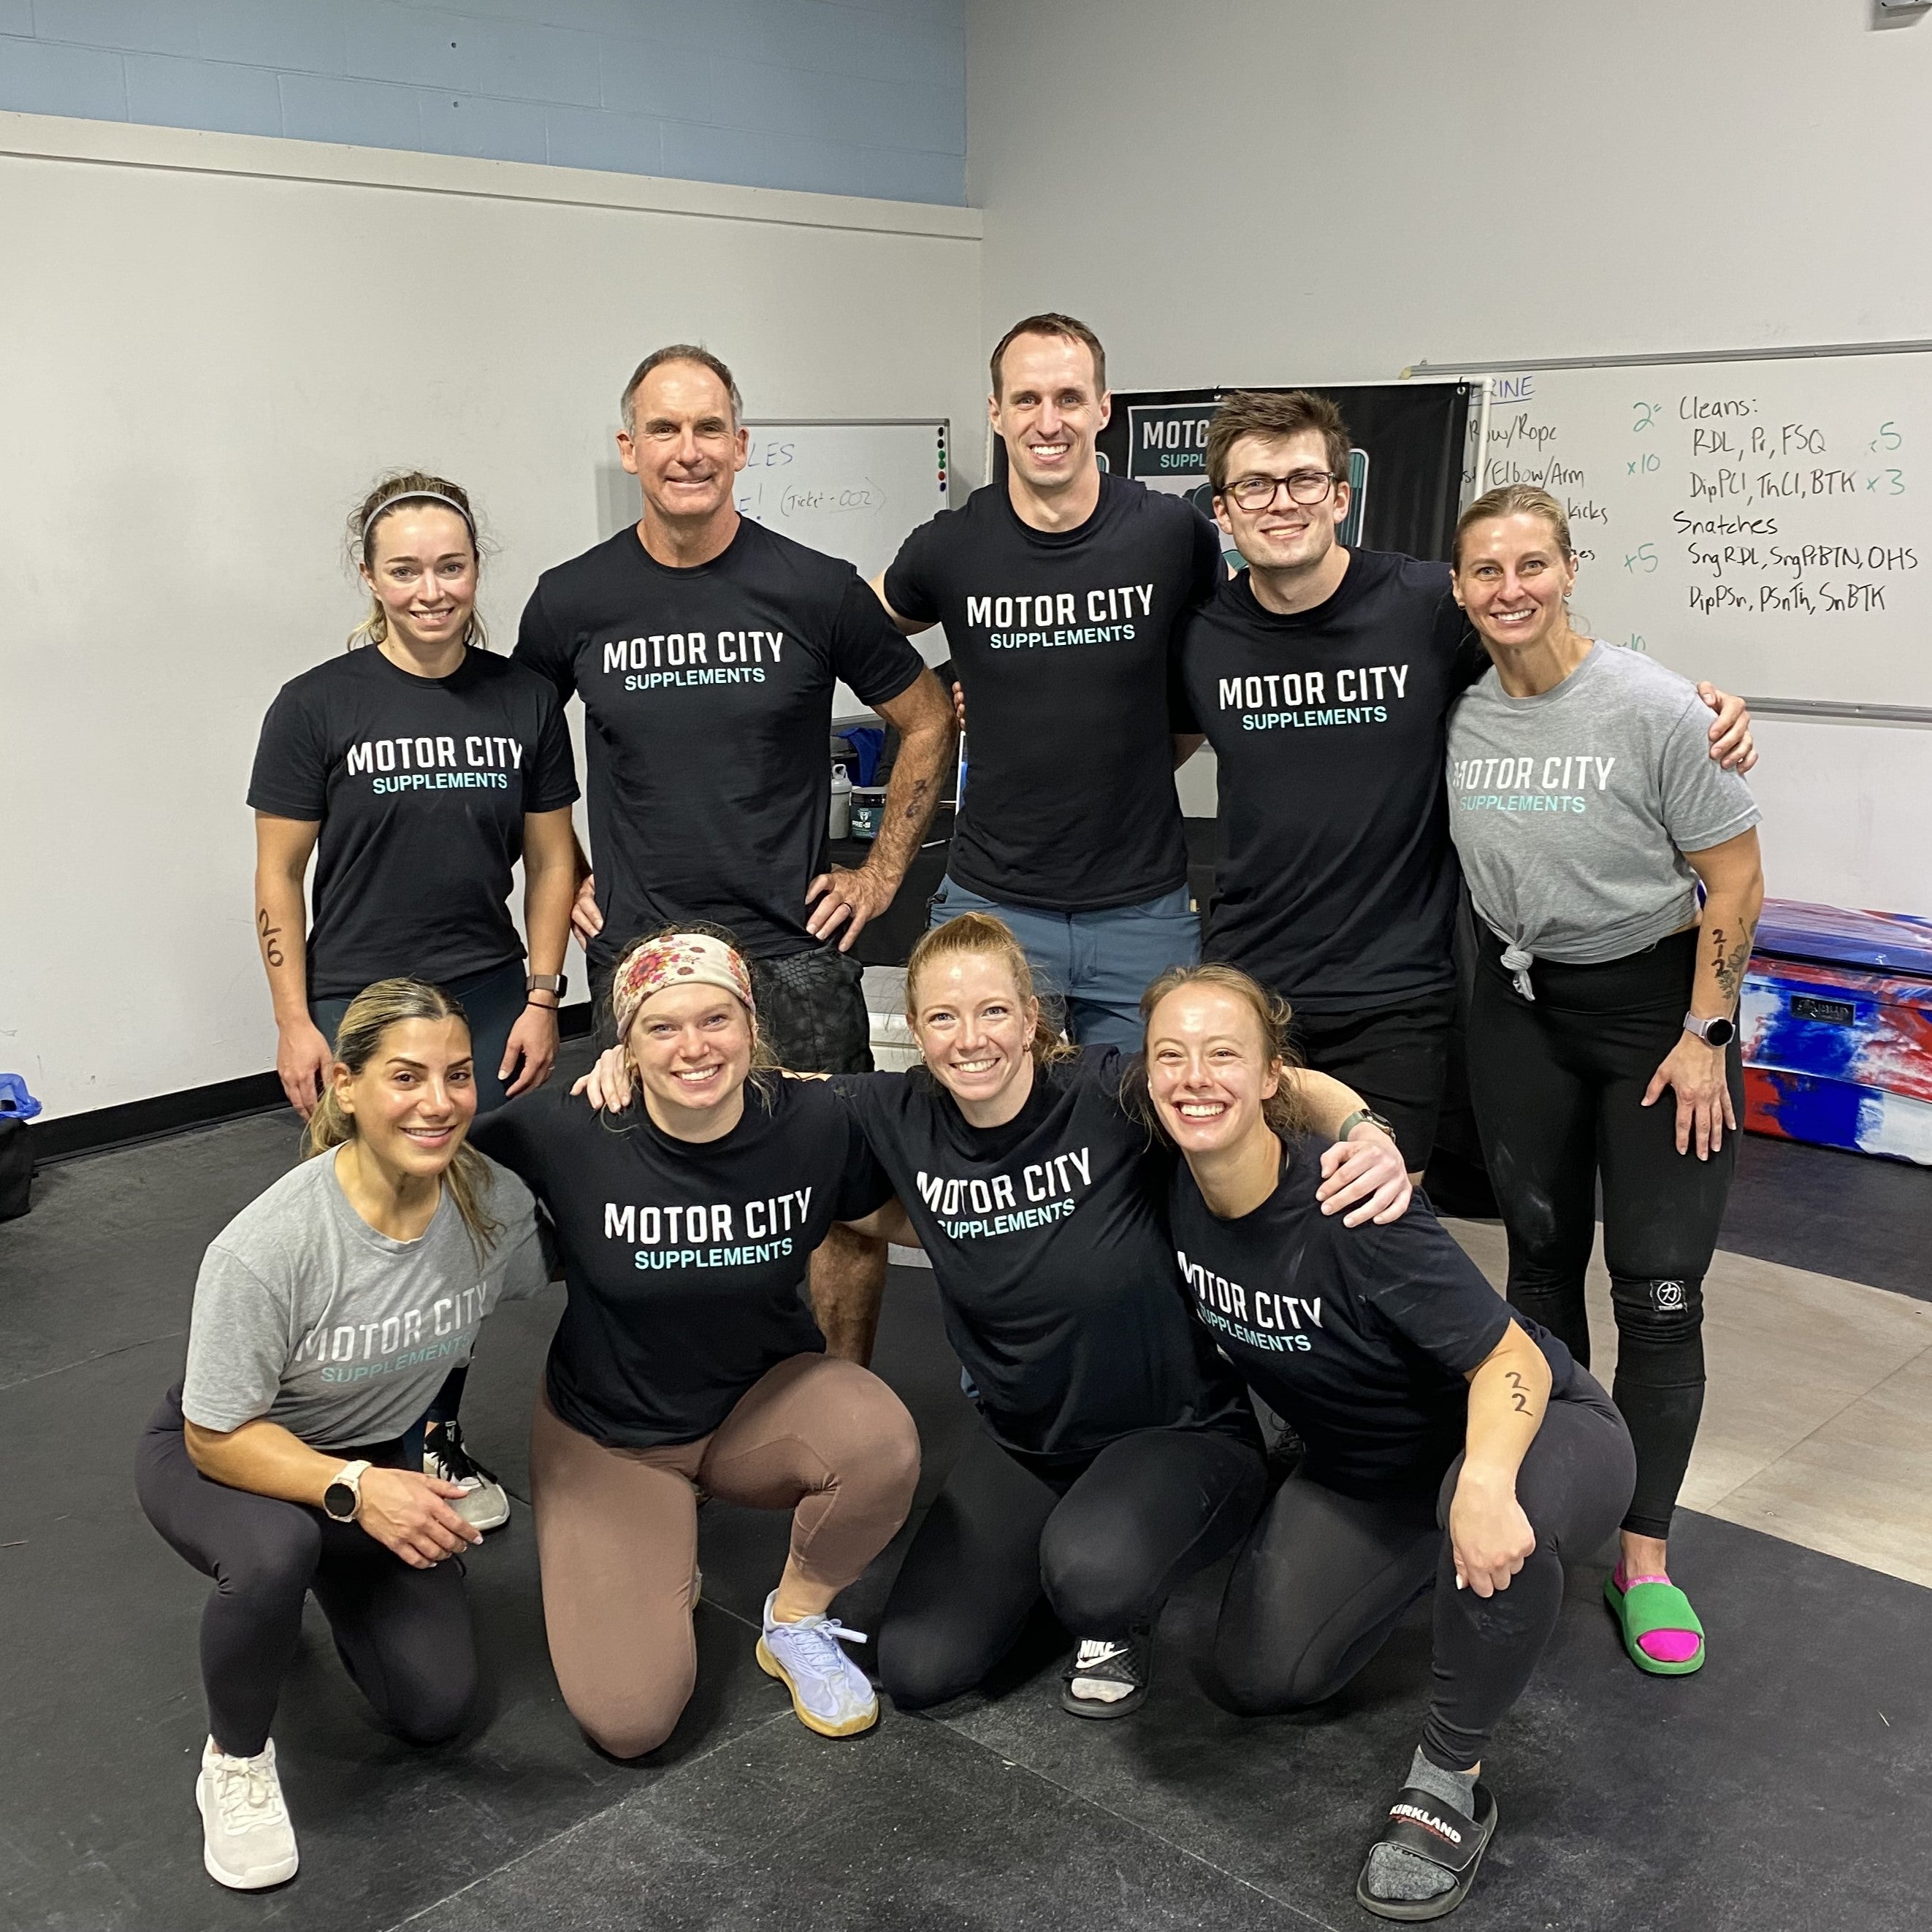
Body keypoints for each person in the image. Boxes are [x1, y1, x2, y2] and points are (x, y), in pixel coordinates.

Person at [579, 915, 1408, 1718]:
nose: (969, 1037)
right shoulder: (893, 1111)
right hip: (1024, 1439)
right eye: (942, 1016)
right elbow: (756, 1089)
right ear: (916, 1029)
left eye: (991, 1011)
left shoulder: (1104, 1091)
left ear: (1030, 1019)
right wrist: (634, 1062)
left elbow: (1280, 1079)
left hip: (1174, 1429)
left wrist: (1364, 1128)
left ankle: (1111, 1597)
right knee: (919, 1668)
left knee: (1093, 1576)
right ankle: (1066, 1556)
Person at [1142, 963, 1636, 1921]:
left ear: (1272, 1077)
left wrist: (1488, 1483)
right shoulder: (1171, 1174)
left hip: (1534, 1421)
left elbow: (1511, 1360)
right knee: (1261, 1677)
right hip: (1368, 1476)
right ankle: (1437, 1541)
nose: (1195, 1076)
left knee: (1488, 1510)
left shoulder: (1350, 1203)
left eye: (1223, 1055)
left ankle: (1450, 1779)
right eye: (1173, 1055)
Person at [1175, 389, 1757, 1178]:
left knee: (1375, 1223)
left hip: (1397, 992)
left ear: (1341, 496)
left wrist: (1693, 705)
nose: (1281, 503)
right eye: (1255, 485)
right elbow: (1140, 746)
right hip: (1247, 980)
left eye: (1304, 479)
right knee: (1245, 1215)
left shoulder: (1426, 604)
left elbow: (1556, 664)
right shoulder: (1202, 634)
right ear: (1223, 509)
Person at [516, 345, 955, 1368]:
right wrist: (563, 868)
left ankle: (837, 1397)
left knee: (841, 1194)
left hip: (794, 948)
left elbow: (926, 718)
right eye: (664, 429)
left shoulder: (815, 588)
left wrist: (882, 872)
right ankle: (683, 1398)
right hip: (642, 950)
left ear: (742, 445)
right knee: (650, 1190)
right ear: (629, 448)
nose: (688, 450)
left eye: (709, 428)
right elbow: (519, 750)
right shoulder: (571, 600)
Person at [134, 980, 551, 1892]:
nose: (437, 1101)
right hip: (229, 1456)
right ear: (347, 1087)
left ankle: (324, 1575)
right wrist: (361, 1488)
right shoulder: (270, 1246)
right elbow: (215, 1436)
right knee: (275, 1548)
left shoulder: (492, 1208)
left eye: (457, 1075)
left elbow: (594, 1244)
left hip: (369, 1456)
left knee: (435, 1706)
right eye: (406, 1075)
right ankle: (234, 1764)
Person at [1446, 484, 1763, 1681]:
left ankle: (1644, 1555)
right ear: (1461, 589)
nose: (1511, 589)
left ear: (1571, 570)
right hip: (1517, 1008)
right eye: (1487, 571)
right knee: (1534, 1269)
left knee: (1661, 1294)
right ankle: (1552, 1489)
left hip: (1654, 1019)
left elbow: (1733, 880)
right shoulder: (1459, 706)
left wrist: (1706, 1034)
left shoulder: (1652, 708)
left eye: (1533, 564)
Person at [467, 928, 921, 1757]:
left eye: (715, 1019)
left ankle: (794, 1620)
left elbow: (890, 1205)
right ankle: (647, 1555)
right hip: (615, 1434)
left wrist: (1014, 1237)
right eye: (661, 1027)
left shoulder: (810, 1120)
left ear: (752, 1027)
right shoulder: (573, 1128)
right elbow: (431, 1172)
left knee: (878, 1439)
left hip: (759, 1404)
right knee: (630, 1720)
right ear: (625, 1045)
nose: (694, 1047)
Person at [249, 470, 579, 1527]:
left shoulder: (524, 698)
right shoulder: (314, 705)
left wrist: (540, 997)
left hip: (482, 995)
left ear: (476, 568)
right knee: (358, 1237)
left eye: (450, 566)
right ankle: (320, 1444)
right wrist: (295, 1021)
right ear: (370, 576)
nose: (431, 589)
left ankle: (433, 1435)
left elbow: (553, 860)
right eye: (406, 570)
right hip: (359, 1005)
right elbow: (275, 879)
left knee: (456, 1236)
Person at [873, 313, 1220, 1051]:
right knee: (984, 1125)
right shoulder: (950, 545)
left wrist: (1123, 766)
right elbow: (852, 626)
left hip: (1141, 909)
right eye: (1026, 400)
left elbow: (1211, 678)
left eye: (1068, 397)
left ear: (1103, 407)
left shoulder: (1170, 534)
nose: (1048, 420)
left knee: (1145, 1129)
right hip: (993, 905)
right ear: (995, 413)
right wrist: (932, 706)